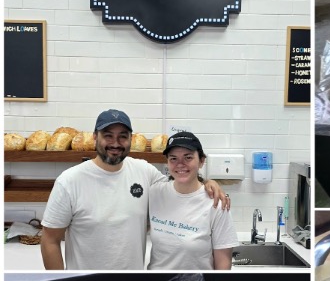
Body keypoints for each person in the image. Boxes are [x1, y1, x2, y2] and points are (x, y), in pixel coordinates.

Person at [40, 110, 229, 270]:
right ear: (95, 137)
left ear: (130, 139)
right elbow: (49, 240)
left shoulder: (143, 171)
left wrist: (208, 182)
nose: (115, 143)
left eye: (123, 136)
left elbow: (181, 183)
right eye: (108, 135)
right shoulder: (69, 181)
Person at [147, 132, 239, 270]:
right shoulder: (155, 193)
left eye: (188, 157)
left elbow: (223, 265)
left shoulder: (216, 203)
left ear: (201, 161)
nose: (180, 164)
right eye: (173, 158)